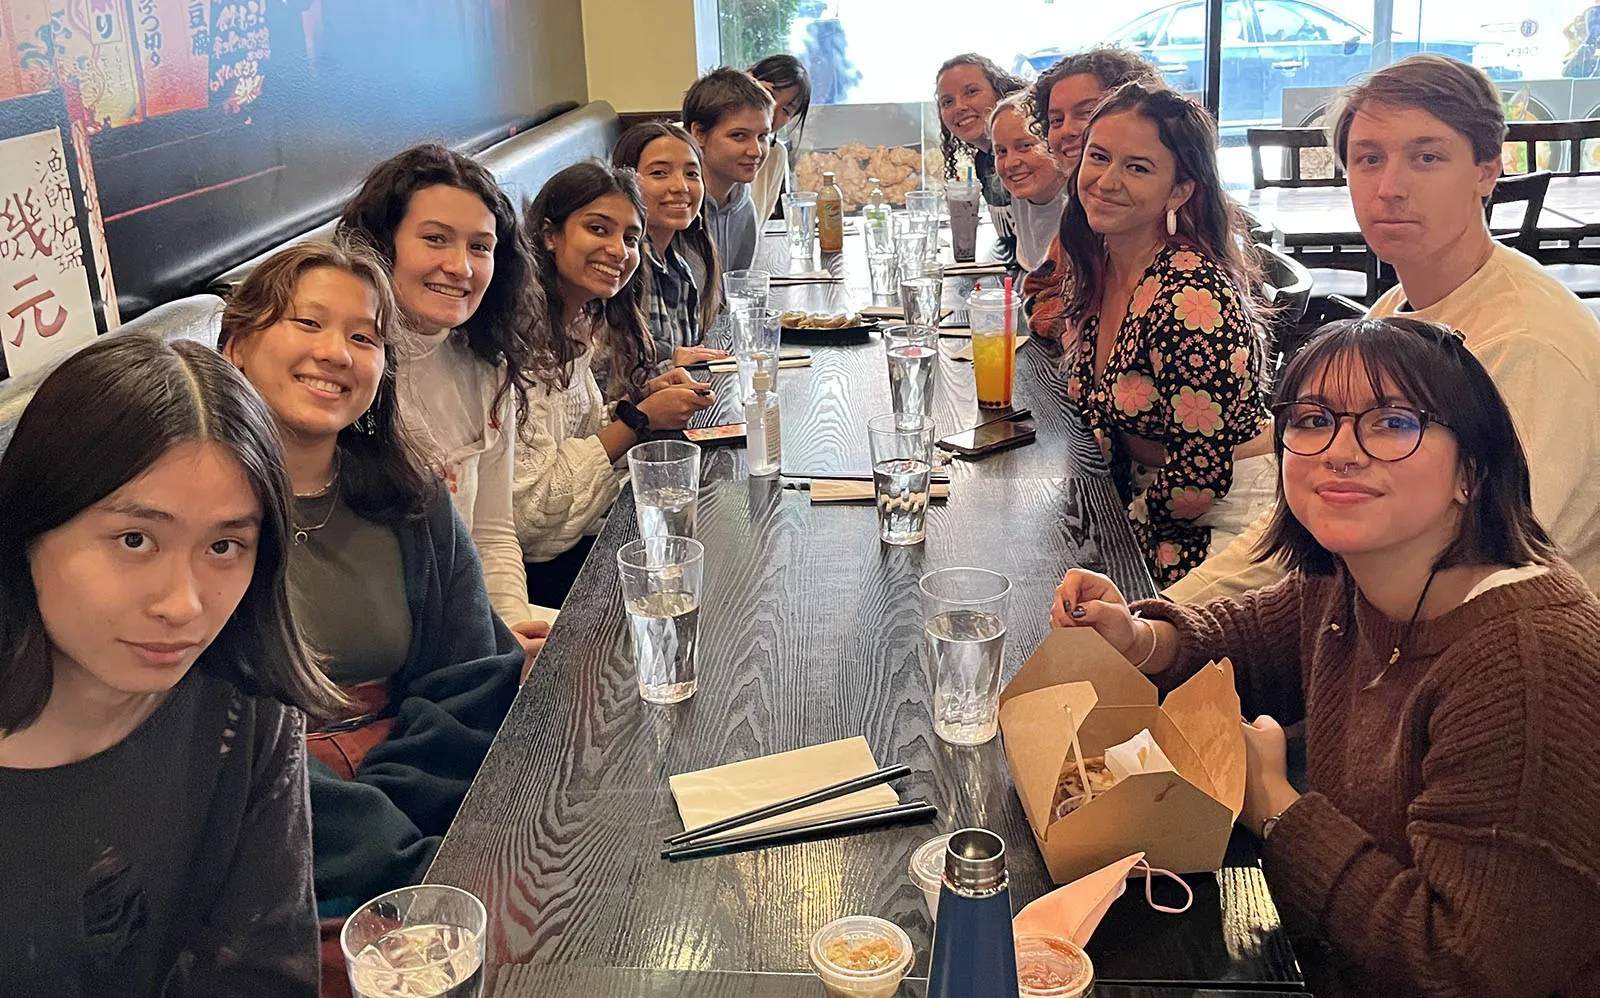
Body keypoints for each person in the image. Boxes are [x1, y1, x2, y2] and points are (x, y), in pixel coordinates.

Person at [1050, 317, 1600, 998]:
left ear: (1472, 472)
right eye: (1313, 420)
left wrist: (1277, 808)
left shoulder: (1524, 663)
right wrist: (1141, 638)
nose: (1341, 450)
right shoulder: (1354, 579)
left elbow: (1463, 967)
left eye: (1393, 423)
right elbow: (1249, 642)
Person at [1167, 54, 1600, 602]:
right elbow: (1298, 518)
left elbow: (1484, 562)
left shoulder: (1523, 343)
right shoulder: (1397, 308)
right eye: (1369, 159)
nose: (1390, 187)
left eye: (1427, 157)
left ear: (1487, 169)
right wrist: (1166, 614)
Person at [0, 333, 342, 995]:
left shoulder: (244, 709)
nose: (183, 605)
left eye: (223, 546)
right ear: (27, 528)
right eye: (135, 539)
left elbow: (264, 977)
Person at [219, 240, 528, 929]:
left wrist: (401, 813)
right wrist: (387, 850)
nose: (336, 353)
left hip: (426, 808)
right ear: (236, 344)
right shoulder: (192, 517)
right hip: (271, 842)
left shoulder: (411, 499)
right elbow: (216, 742)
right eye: (307, 323)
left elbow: (474, 672)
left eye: (364, 337)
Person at [1059, 80, 1273, 585]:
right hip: (1159, 495)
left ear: (1180, 190)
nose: (1106, 181)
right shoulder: (1105, 259)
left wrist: (1116, 530)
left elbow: (1198, 477)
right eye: (1099, 157)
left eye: (1137, 167)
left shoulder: (1189, 299)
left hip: (1227, 511)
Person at [337, 143, 542, 633]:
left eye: (480, 247)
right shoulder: (343, 373)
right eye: (435, 239)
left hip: (471, 630)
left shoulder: (489, 365)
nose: (461, 267)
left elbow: (492, 533)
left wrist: (511, 625)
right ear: (382, 245)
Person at [515, 162, 716, 606]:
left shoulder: (577, 321)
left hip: (584, 546)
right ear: (550, 235)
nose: (618, 250)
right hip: (545, 579)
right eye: (597, 229)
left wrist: (639, 401)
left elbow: (573, 434)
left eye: (629, 238)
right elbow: (531, 514)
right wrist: (638, 421)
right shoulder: (518, 343)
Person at [1021, 47, 1158, 345]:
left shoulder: (1153, 215)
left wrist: (1082, 326)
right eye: (1055, 120)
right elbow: (1040, 290)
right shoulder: (1081, 212)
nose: (1067, 130)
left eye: (1086, 113)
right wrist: (1071, 325)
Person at [612, 121, 729, 370]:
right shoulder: (620, 265)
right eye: (659, 173)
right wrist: (671, 368)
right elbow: (607, 383)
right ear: (625, 183)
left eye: (691, 174)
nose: (680, 187)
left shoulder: (681, 265)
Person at [935, 53, 1028, 269]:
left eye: (971, 92)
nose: (959, 107)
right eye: (947, 102)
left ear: (1000, 92)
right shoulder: (983, 162)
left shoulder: (1034, 157)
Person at [683, 67, 776, 272]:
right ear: (698, 133)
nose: (756, 151)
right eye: (739, 136)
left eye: (762, 137)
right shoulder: (676, 209)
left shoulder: (744, 207)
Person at [987, 91, 1067, 273]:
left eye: (1025, 146)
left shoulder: (1082, 209)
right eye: (1001, 151)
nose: (1010, 163)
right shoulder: (1023, 192)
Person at [748, 54, 813, 227]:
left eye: (785, 110)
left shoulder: (774, 155)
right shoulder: (686, 139)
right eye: (768, 94)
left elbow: (756, 229)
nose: (772, 109)